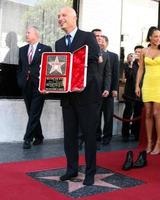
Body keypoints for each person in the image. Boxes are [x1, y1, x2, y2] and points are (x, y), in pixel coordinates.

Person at [55, 7, 101, 186]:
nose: (60, 18)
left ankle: (90, 172)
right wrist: (49, 86)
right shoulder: (59, 43)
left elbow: (93, 63)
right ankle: (71, 169)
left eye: (64, 15)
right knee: (69, 136)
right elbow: (58, 71)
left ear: (75, 18)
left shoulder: (87, 36)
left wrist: (79, 84)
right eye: (58, 16)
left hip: (87, 96)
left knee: (89, 136)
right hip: (67, 98)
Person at [17, 26, 52, 149]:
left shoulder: (46, 49)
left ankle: (27, 138)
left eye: (28, 32)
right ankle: (39, 136)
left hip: (39, 86)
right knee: (31, 113)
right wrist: (20, 81)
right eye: (26, 32)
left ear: (36, 34)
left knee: (34, 112)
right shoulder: (22, 50)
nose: (26, 34)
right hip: (26, 86)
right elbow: (20, 67)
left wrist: (48, 85)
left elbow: (50, 68)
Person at [136, 26, 160, 155]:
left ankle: (158, 143)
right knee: (148, 113)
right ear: (150, 37)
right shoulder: (144, 51)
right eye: (156, 36)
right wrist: (137, 85)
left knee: (157, 113)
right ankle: (149, 142)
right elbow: (140, 69)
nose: (158, 39)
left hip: (159, 85)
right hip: (147, 84)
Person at [96, 35, 119, 145]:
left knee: (108, 116)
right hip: (96, 91)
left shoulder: (113, 56)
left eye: (102, 41)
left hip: (109, 90)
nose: (100, 43)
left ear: (107, 43)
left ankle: (107, 137)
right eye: (98, 41)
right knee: (97, 116)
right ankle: (97, 136)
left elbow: (114, 73)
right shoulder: (93, 54)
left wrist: (114, 88)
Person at [91, 29, 111, 149]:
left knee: (97, 116)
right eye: (96, 36)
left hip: (100, 90)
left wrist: (107, 88)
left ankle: (97, 139)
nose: (99, 38)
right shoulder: (86, 51)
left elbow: (108, 73)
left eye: (100, 36)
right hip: (86, 89)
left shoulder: (105, 54)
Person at [122, 46, 144, 142]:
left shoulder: (145, 64)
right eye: (136, 52)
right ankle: (125, 134)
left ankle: (136, 134)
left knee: (138, 114)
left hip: (141, 95)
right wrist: (131, 64)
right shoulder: (129, 64)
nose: (137, 53)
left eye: (139, 52)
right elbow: (128, 76)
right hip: (130, 94)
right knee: (127, 114)